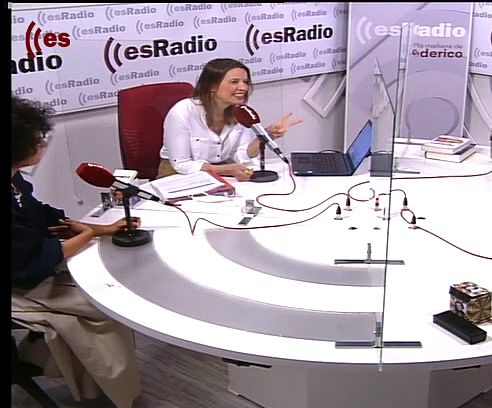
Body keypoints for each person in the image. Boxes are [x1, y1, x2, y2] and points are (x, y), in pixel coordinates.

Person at [11, 95, 142, 408]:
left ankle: (95, 385)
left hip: (29, 266)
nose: (43, 144)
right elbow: (32, 262)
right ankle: (111, 394)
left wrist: (102, 230)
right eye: (37, 140)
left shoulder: (14, 179)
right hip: (20, 283)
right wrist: (87, 234)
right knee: (106, 305)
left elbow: (41, 216)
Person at [158, 57, 303, 180]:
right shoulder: (182, 112)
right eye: (234, 82)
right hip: (178, 175)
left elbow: (240, 155)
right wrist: (225, 170)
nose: (243, 88)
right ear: (212, 86)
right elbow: (181, 164)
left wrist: (266, 136)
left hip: (221, 171)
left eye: (245, 82)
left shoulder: (242, 112)